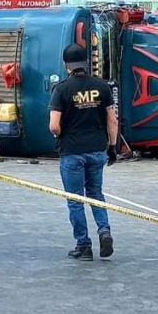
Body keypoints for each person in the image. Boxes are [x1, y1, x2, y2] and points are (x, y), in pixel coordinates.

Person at [49, 44, 118, 262]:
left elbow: (53, 126)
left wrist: (59, 134)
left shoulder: (61, 89)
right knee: (96, 194)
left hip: (72, 152)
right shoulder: (102, 87)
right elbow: (112, 120)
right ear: (86, 62)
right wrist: (112, 146)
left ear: (66, 65)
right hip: (97, 149)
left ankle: (83, 245)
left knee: (75, 200)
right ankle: (104, 231)